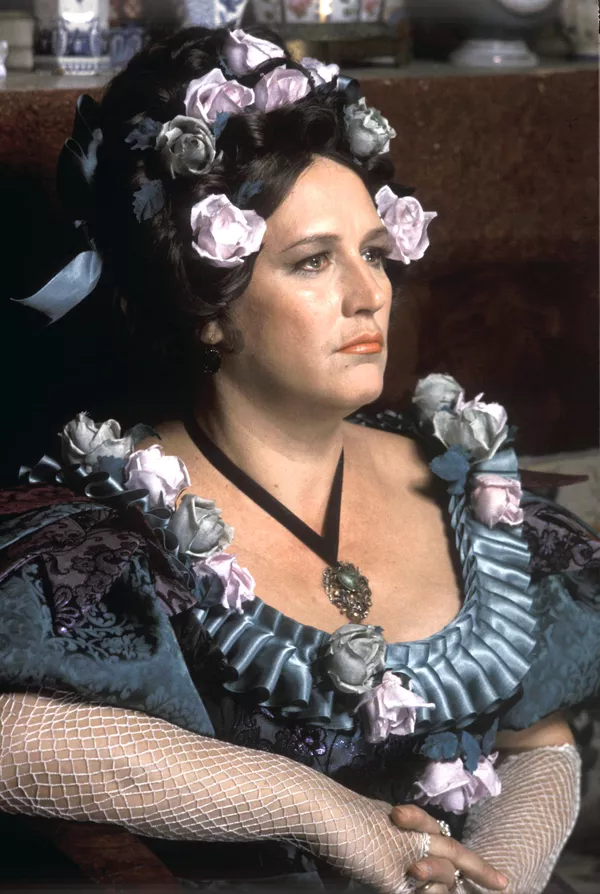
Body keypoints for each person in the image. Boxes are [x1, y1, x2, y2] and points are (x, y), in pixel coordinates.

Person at [0, 25, 598, 894]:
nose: (369, 294)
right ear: (209, 308)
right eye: (314, 262)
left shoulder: (468, 488)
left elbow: (538, 744)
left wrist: (486, 878)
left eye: (374, 253)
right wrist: (316, 807)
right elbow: (13, 742)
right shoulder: (112, 529)